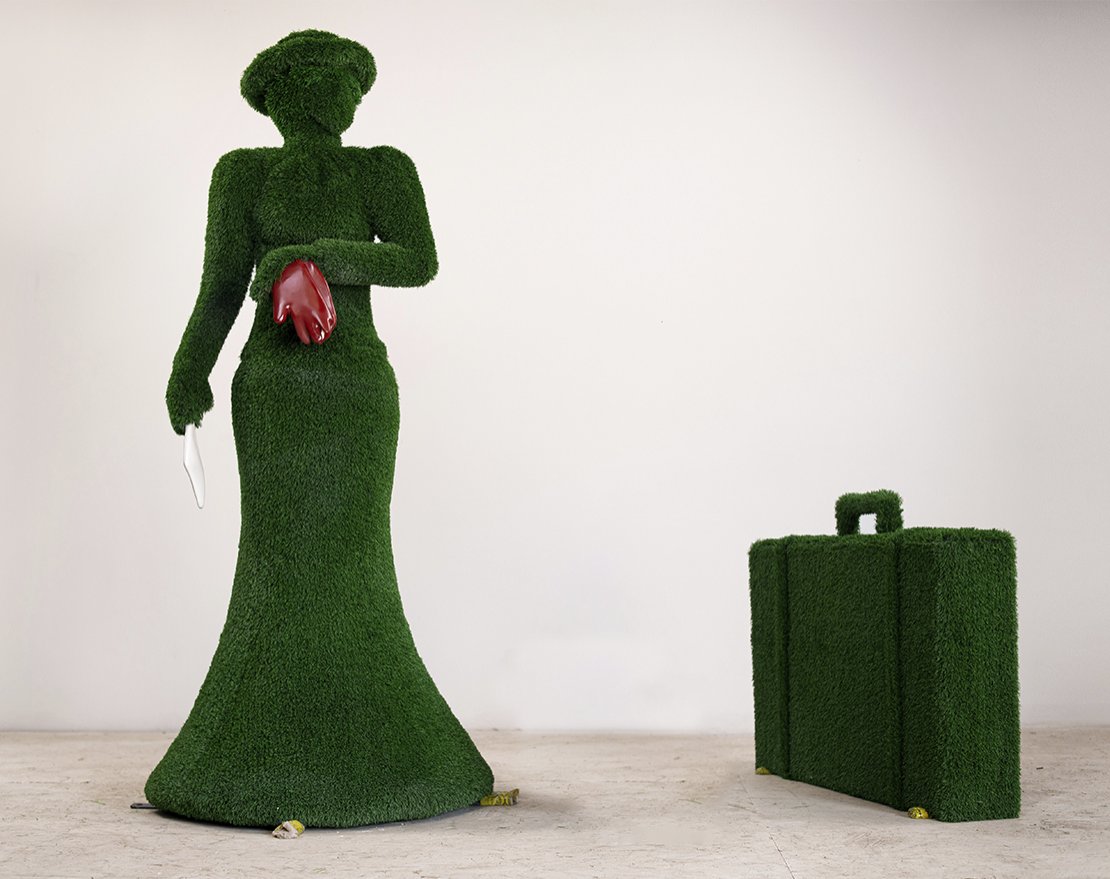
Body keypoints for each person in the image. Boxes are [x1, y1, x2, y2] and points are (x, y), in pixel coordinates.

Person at [148, 29, 494, 828]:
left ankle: (391, 743)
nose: (330, 92)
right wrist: (189, 368)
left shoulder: (382, 168)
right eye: (311, 78)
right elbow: (220, 284)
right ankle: (244, 746)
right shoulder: (243, 173)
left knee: (357, 549)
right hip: (272, 388)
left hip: (356, 386)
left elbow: (417, 258)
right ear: (275, 96)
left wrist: (309, 256)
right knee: (275, 551)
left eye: (344, 79)